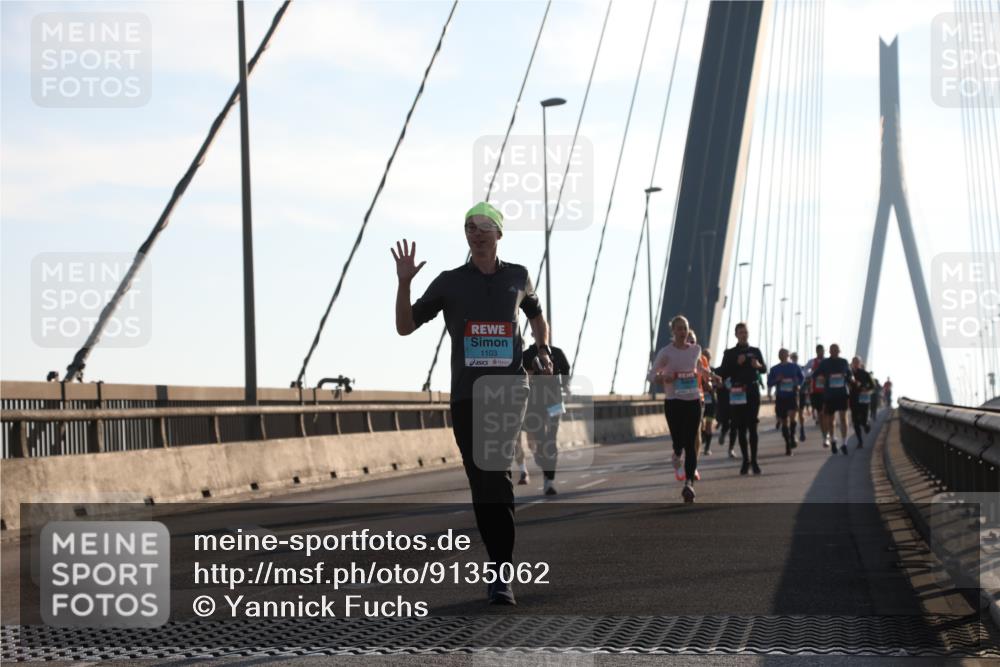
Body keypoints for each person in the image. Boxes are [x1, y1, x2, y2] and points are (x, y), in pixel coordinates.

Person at [393, 201, 550, 606]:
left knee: (495, 473)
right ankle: (499, 563)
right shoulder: (449, 282)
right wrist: (405, 282)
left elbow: (536, 314)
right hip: (465, 395)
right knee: (481, 483)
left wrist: (542, 346)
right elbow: (405, 327)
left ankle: (501, 571)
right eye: (469, 227)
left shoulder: (518, 277)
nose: (476, 233)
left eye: (483, 226)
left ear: (499, 233)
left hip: (509, 391)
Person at [648, 315, 715, 502]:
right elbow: (652, 375)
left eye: (685, 328)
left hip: (693, 400)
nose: (682, 332)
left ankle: (689, 484)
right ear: (673, 331)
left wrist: (712, 376)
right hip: (673, 401)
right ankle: (676, 454)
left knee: (691, 441)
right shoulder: (666, 352)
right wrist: (663, 378)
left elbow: (699, 369)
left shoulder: (696, 350)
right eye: (679, 329)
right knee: (678, 442)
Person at [516, 342, 571, 494]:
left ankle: (549, 481)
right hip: (535, 405)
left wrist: (565, 386)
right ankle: (541, 458)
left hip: (555, 402)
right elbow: (520, 374)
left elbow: (566, 371)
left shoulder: (557, 352)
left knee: (551, 439)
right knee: (540, 440)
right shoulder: (527, 355)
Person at [718, 322, 767, 475]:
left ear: (748, 333)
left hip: (752, 390)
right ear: (736, 335)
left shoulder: (755, 351)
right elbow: (724, 372)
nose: (743, 335)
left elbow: (764, 369)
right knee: (740, 427)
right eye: (740, 332)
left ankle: (755, 461)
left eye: (745, 332)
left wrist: (758, 365)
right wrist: (735, 363)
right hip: (737, 391)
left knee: (753, 426)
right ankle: (745, 460)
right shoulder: (730, 353)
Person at [816, 343, 853, 454]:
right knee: (831, 420)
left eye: (836, 350)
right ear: (829, 352)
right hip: (830, 395)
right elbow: (816, 374)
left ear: (839, 351)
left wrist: (847, 377)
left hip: (842, 393)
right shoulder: (825, 363)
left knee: (843, 418)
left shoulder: (844, 362)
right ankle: (833, 440)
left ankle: (844, 443)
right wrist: (820, 378)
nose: (834, 351)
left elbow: (850, 375)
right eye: (832, 350)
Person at [768, 348, 805, 456]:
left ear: (788, 355)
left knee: (792, 418)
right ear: (778, 356)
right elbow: (769, 383)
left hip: (792, 396)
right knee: (784, 422)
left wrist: (797, 384)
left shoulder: (794, 367)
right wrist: (777, 380)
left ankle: (792, 435)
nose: (782, 355)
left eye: (784, 353)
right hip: (781, 397)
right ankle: (787, 444)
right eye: (780, 354)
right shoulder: (774, 369)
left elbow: (802, 378)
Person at [849, 356, 875, 448]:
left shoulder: (865, 374)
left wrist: (866, 389)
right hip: (853, 400)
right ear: (852, 363)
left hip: (864, 400)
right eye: (854, 362)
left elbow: (873, 386)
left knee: (863, 421)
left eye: (857, 362)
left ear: (860, 363)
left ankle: (866, 425)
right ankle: (860, 441)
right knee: (855, 422)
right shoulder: (849, 374)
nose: (855, 364)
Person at [804, 344, 828, 445]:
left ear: (824, 351)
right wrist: (810, 374)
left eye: (821, 351)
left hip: (827, 390)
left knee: (826, 414)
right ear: (816, 351)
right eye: (818, 351)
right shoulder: (812, 362)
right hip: (816, 391)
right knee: (821, 415)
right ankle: (824, 436)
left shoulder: (827, 361)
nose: (820, 353)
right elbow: (805, 371)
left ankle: (828, 433)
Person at [700, 348, 717, 455]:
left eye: (707, 355)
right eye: (703, 355)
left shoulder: (713, 371)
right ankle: (703, 437)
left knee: (709, 425)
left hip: (711, 401)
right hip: (700, 400)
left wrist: (712, 385)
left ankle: (707, 448)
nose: (705, 357)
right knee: (700, 424)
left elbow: (718, 384)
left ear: (710, 358)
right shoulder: (698, 370)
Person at [790, 351, 807, 442]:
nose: (794, 359)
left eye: (796, 357)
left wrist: (800, 386)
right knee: (793, 413)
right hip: (791, 393)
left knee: (800, 412)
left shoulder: (801, 367)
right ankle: (794, 433)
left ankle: (802, 429)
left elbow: (804, 379)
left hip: (800, 392)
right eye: (793, 357)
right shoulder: (788, 367)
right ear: (791, 358)